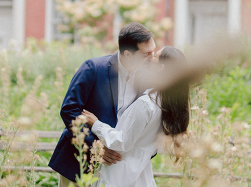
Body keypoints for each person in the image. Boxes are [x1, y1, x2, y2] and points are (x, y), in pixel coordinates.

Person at [49, 23, 156, 186]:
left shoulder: (148, 79)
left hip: (118, 169)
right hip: (79, 163)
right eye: (146, 54)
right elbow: (69, 110)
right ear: (128, 54)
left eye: (153, 51)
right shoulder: (93, 68)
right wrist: (95, 146)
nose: (152, 57)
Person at [81, 46, 190, 187]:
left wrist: (95, 124)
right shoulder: (168, 104)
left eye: (155, 56)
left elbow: (122, 142)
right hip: (140, 174)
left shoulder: (147, 103)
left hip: (119, 173)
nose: (151, 58)